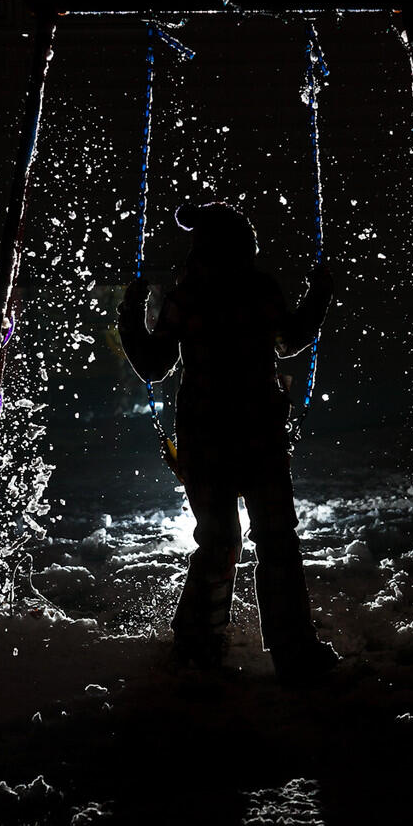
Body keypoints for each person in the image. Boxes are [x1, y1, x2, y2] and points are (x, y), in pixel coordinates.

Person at [118, 201, 339, 687]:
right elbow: (291, 338)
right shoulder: (259, 291)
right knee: (277, 540)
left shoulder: (188, 297)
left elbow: (154, 367)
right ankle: (293, 650)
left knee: (219, 542)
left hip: (206, 439)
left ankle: (198, 646)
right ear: (243, 247)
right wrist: (319, 295)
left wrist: (130, 316)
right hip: (258, 435)